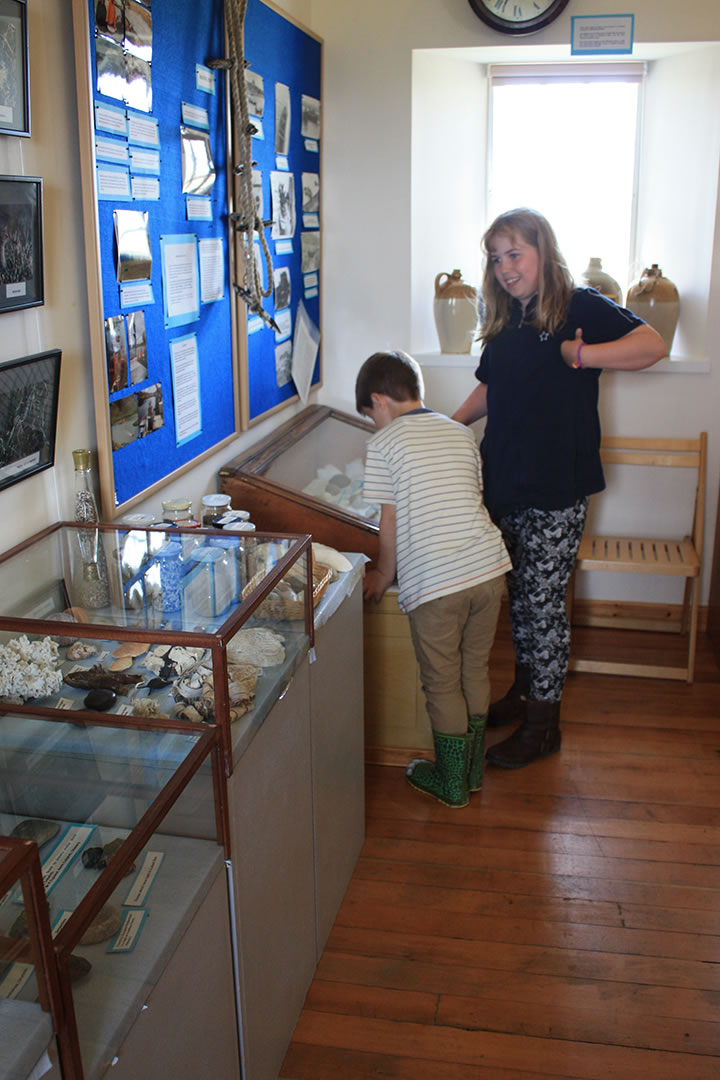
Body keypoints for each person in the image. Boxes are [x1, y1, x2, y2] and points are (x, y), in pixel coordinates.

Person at [452, 208, 666, 769]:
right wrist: (448, 426)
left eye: (514, 254)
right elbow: (491, 390)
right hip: (505, 479)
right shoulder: (502, 317)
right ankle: (525, 694)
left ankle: (545, 727)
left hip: (556, 487)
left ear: (543, 251)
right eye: (496, 258)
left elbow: (653, 345)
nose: (504, 267)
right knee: (521, 602)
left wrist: (584, 355)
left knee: (541, 604)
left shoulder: (579, 305)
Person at [357, 350, 512, 807]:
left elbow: (390, 520)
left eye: (370, 416)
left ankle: (449, 783)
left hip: (438, 583)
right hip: (488, 568)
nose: (373, 425)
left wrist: (384, 574)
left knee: (442, 682)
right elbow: (470, 497)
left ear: (379, 401)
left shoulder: (384, 445)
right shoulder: (460, 431)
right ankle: (472, 771)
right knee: (474, 669)